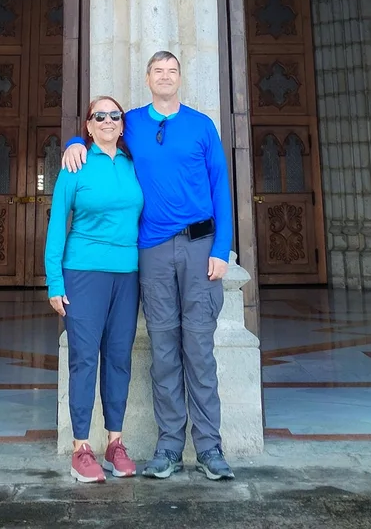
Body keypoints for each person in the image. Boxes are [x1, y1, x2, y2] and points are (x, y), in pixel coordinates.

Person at [63, 52, 235, 482]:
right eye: (158, 71)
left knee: (198, 348)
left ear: (180, 78)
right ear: (147, 78)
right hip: (153, 251)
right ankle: (169, 447)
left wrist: (223, 248)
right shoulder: (132, 122)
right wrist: (71, 144)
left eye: (172, 71)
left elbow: (220, 186)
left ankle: (211, 448)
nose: (165, 77)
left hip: (200, 247)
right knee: (162, 350)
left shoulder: (202, 126)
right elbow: (99, 136)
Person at [46, 96, 143, 484]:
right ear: (87, 125)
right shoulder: (76, 163)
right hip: (83, 272)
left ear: (122, 125)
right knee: (84, 358)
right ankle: (81, 448)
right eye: (98, 115)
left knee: (119, 357)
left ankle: (115, 443)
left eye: (113, 115)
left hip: (128, 274)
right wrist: (54, 280)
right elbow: (57, 223)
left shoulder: (134, 164)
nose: (106, 120)